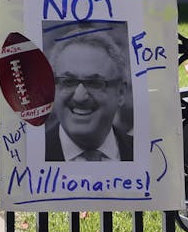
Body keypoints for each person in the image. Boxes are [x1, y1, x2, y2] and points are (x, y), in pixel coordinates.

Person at [44, 31, 133, 162]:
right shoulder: (29, 155)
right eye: (68, 82)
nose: (79, 97)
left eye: (94, 83)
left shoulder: (147, 154)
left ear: (120, 92)